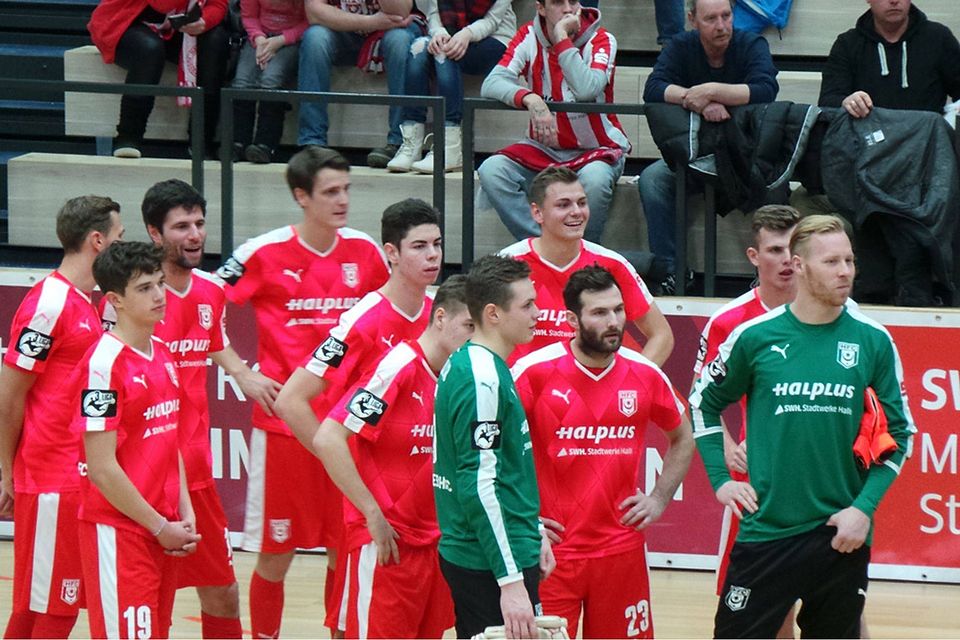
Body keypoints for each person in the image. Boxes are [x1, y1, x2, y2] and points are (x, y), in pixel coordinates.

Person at [690, 214, 915, 638]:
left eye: (849, 260)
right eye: (832, 262)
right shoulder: (753, 337)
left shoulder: (873, 340)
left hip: (840, 533)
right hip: (766, 530)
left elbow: (901, 435)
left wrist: (862, 511)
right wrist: (720, 479)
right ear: (799, 265)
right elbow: (701, 403)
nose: (845, 271)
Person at [215, 146, 389, 639]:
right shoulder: (262, 252)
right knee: (275, 553)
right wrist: (241, 372)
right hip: (285, 430)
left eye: (347, 190)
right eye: (330, 192)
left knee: (344, 547)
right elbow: (202, 306)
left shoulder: (367, 253)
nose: (343, 201)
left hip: (348, 430)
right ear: (301, 196)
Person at [276, 197, 443, 635]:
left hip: (426, 503)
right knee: (359, 618)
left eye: (437, 245)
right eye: (419, 246)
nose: (432, 256)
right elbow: (292, 400)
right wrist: (342, 467)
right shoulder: (362, 322)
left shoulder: (438, 315)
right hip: (375, 500)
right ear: (391, 253)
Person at [513, 265, 694, 639]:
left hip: (621, 551)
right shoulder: (533, 372)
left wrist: (659, 498)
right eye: (599, 313)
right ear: (571, 319)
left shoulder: (645, 372)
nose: (614, 322)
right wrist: (524, 521)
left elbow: (683, 436)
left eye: (618, 310)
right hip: (550, 555)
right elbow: (495, 455)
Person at [132, 179, 279, 638]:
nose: (195, 234)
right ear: (155, 233)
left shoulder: (211, 292)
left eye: (199, 223)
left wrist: (242, 373)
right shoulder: (132, 301)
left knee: (222, 594)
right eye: (181, 226)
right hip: (150, 479)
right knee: (151, 606)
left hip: (197, 474)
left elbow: (214, 341)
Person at [302, 276, 473, 638]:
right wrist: (371, 514)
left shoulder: (460, 376)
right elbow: (329, 437)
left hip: (437, 544)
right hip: (388, 545)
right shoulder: (398, 367)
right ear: (440, 317)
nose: (474, 338)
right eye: (468, 326)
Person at [0, 196, 124, 640]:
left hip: (72, 475)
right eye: (118, 237)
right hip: (51, 478)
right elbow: (10, 395)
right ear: (96, 240)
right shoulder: (50, 303)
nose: (121, 246)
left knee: (42, 606)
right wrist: (7, 472)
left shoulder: (85, 302)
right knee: (57, 607)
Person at [76, 241, 202, 639]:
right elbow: (101, 468)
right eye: (145, 288)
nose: (160, 295)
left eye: (161, 283)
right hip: (120, 533)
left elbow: (169, 443)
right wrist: (159, 526)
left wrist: (184, 513)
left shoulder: (163, 354)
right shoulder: (102, 365)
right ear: (115, 300)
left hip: (160, 529)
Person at [433, 254, 555, 640]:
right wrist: (510, 581)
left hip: (495, 552)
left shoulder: (476, 364)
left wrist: (532, 530)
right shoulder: (481, 379)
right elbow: (477, 485)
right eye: (527, 305)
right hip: (486, 563)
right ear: (493, 313)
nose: (538, 312)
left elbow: (502, 469)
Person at [691, 204, 799, 638]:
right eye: (776, 250)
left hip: (824, 480)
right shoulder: (729, 322)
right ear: (754, 256)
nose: (788, 259)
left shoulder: (835, 314)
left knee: (840, 606)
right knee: (759, 606)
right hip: (761, 484)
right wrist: (731, 443)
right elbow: (701, 398)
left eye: (795, 248)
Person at [815, 0, 960, 307]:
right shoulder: (848, 44)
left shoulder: (938, 38)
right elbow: (828, 103)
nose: (894, 0)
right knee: (881, 242)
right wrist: (847, 100)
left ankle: (916, 302)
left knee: (911, 236)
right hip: (870, 175)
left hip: (925, 175)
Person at [638, 0, 778, 294]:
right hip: (691, 154)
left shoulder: (752, 43)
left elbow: (765, 89)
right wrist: (698, 100)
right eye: (711, 18)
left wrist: (713, 91)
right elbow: (653, 88)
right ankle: (672, 270)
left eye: (726, 16)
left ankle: (770, 274)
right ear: (692, 20)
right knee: (652, 180)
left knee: (777, 182)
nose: (721, 25)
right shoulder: (681, 45)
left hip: (745, 154)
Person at [477, 0, 630, 244]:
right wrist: (530, 98)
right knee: (492, 170)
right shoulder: (528, 35)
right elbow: (492, 83)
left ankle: (582, 255)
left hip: (597, 149)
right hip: (544, 149)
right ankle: (546, 246)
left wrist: (561, 39)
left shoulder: (602, 39)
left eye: (573, 1)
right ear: (540, 7)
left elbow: (586, 90)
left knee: (596, 180)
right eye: (558, 2)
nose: (568, 9)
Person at [499, 166, 674, 366]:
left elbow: (662, 335)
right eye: (563, 205)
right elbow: (479, 335)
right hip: (526, 392)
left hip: (594, 390)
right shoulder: (507, 264)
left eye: (582, 203)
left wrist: (633, 381)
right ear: (537, 213)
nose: (576, 212)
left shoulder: (613, 264)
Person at [386, 0, 516, 173]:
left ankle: (449, 148)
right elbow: (434, 14)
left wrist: (465, 34)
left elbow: (492, 20)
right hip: (451, 35)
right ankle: (411, 144)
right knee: (418, 48)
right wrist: (439, 33)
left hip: (494, 38)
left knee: (444, 53)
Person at [88, 0, 230, 159]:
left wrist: (204, 21)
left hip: (173, 28)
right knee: (150, 49)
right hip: (122, 23)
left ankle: (202, 142)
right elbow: (162, 4)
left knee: (216, 40)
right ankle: (128, 137)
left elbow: (219, 4)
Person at [297, 0, 423, 168]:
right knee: (315, 38)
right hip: (345, 29)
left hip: (391, 29)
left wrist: (378, 23)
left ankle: (399, 142)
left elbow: (400, 12)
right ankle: (312, 143)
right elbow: (314, 12)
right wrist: (371, 22)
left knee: (399, 39)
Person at [232, 0, 309, 163]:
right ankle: (238, 142)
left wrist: (281, 40)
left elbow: (310, 20)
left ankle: (266, 144)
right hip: (259, 38)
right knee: (242, 82)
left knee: (271, 80)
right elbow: (249, 16)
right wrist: (259, 39)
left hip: (290, 40)